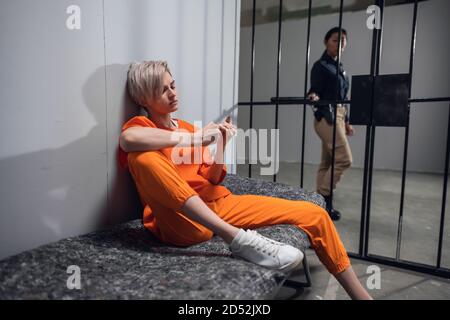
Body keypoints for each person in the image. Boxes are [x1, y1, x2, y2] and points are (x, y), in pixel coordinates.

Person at [118, 60, 372, 299]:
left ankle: (361, 295)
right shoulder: (142, 126)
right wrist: (194, 139)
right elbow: (128, 141)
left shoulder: (187, 126)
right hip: (183, 222)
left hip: (218, 205)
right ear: (144, 99)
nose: (173, 93)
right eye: (163, 90)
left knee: (315, 214)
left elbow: (213, 179)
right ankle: (235, 238)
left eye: (172, 85)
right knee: (141, 158)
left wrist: (220, 145)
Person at [308, 27, 354, 221]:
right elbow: (314, 90)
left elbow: (342, 97)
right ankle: (323, 200)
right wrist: (313, 96)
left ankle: (320, 203)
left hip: (339, 117)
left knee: (327, 163)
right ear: (326, 42)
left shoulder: (339, 67)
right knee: (344, 159)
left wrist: (347, 122)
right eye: (336, 40)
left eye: (343, 40)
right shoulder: (321, 66)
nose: (340, 43)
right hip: (327, 117)